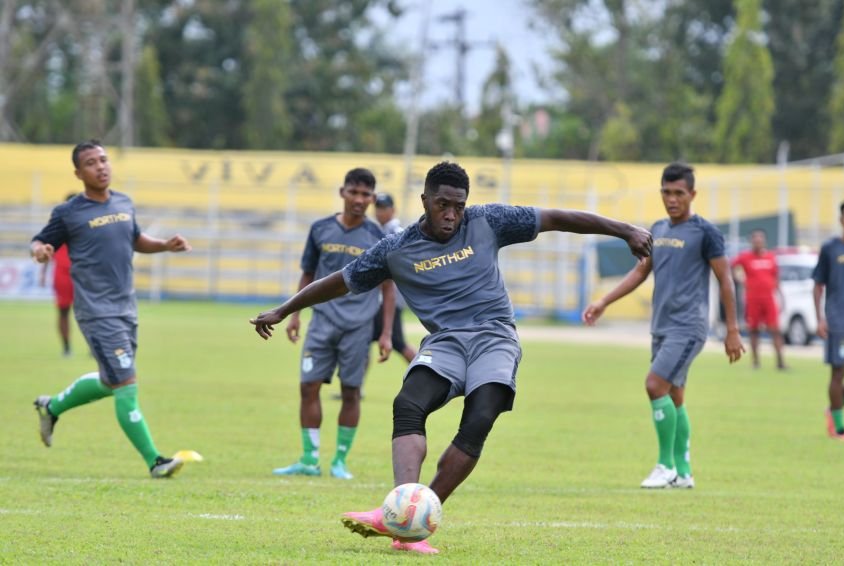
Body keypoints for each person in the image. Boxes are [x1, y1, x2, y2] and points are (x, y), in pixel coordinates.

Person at [250, 161, 652, 554]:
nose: (451, 214)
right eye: (443, 204)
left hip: (494, 337)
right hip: (445, 343)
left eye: (458, 206)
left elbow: (557, 217)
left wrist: (625, 230)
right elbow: (338, 282)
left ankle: (413, 523)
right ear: (425, 200)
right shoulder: (396, 249)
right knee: (407, 404)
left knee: (481, 414)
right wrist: (284, 309)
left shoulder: (487, 221)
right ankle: (402, 507)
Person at [30, 139, 192, 478]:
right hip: (96, 311)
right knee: (127, 384)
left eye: (103, 159)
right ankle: (155, 462)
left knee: (110, 381)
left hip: (125, 308)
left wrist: (164, 245)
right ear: (78, 172)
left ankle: (52, 407)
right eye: (91, 162)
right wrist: (41, 250)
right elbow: (41, 240)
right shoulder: (69, 212)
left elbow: (134, 239)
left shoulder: (123, 202)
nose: (100, 166)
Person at [582, 162, 744, 490]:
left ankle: (665, 465)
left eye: (679, 193)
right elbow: (641, 272)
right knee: (675, 396)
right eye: (666, 192)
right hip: (662, 326)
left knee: (655, 385)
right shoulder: (658, 228)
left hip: (689, 327)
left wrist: (732, 329)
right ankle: (683, 472)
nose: (672, 199)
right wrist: (603, 301)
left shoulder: (705, 232)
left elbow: (725, 279)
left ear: (692, 194)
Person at [271, 168, 395, 481]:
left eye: (366, 194)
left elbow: (388, 287)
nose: (359, 199)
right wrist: (295, 314)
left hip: (358, 326)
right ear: (342, 192)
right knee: (308, 386)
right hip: (322, 322)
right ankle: (309, 459)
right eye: (354, 192)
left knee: (351, 392)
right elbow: (308, 273)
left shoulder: (379, 238)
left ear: (372, 198)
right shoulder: (320, 229)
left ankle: (340, 461)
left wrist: (386, 333)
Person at [814, 198, 844, 440]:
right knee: (839, 372)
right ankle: (838, 427)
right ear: (841, 220)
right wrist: (820, 318)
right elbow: (818, 285)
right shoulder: (831, 248)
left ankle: (833, 408)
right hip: (838, 320)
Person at [731, 229, 786, 369]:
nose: (758, 242)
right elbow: (731, 266)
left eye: (760, 240)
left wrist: (781, 295)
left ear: (764, 241)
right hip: (753, 298)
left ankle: (780, 362)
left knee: (775, 329)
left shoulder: (770, 257)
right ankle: (755, 362)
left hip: (768, 298)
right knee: (753, 330)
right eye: (755, 240)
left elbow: (776, 277)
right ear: (751, 242)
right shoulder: (745, 257)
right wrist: (739, 278)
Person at [372, 193, 417, 363]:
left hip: (391, 297)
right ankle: (355, 387)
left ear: (393, 210)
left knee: (398, 343)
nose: (379, 212)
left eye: (384, 208)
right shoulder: (380, 231)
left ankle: (428, 373)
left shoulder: (397, 233)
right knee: (361, 341)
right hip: (381, 298)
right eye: (377, 208)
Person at [40, 193, 77, 357]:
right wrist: (43, 273)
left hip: (83, 274)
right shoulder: (58, 224)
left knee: (91, 312)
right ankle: (66, 348)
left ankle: (94, 348)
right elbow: (48, 247)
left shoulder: (86, 224)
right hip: (62, 274)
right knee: (63, 311)